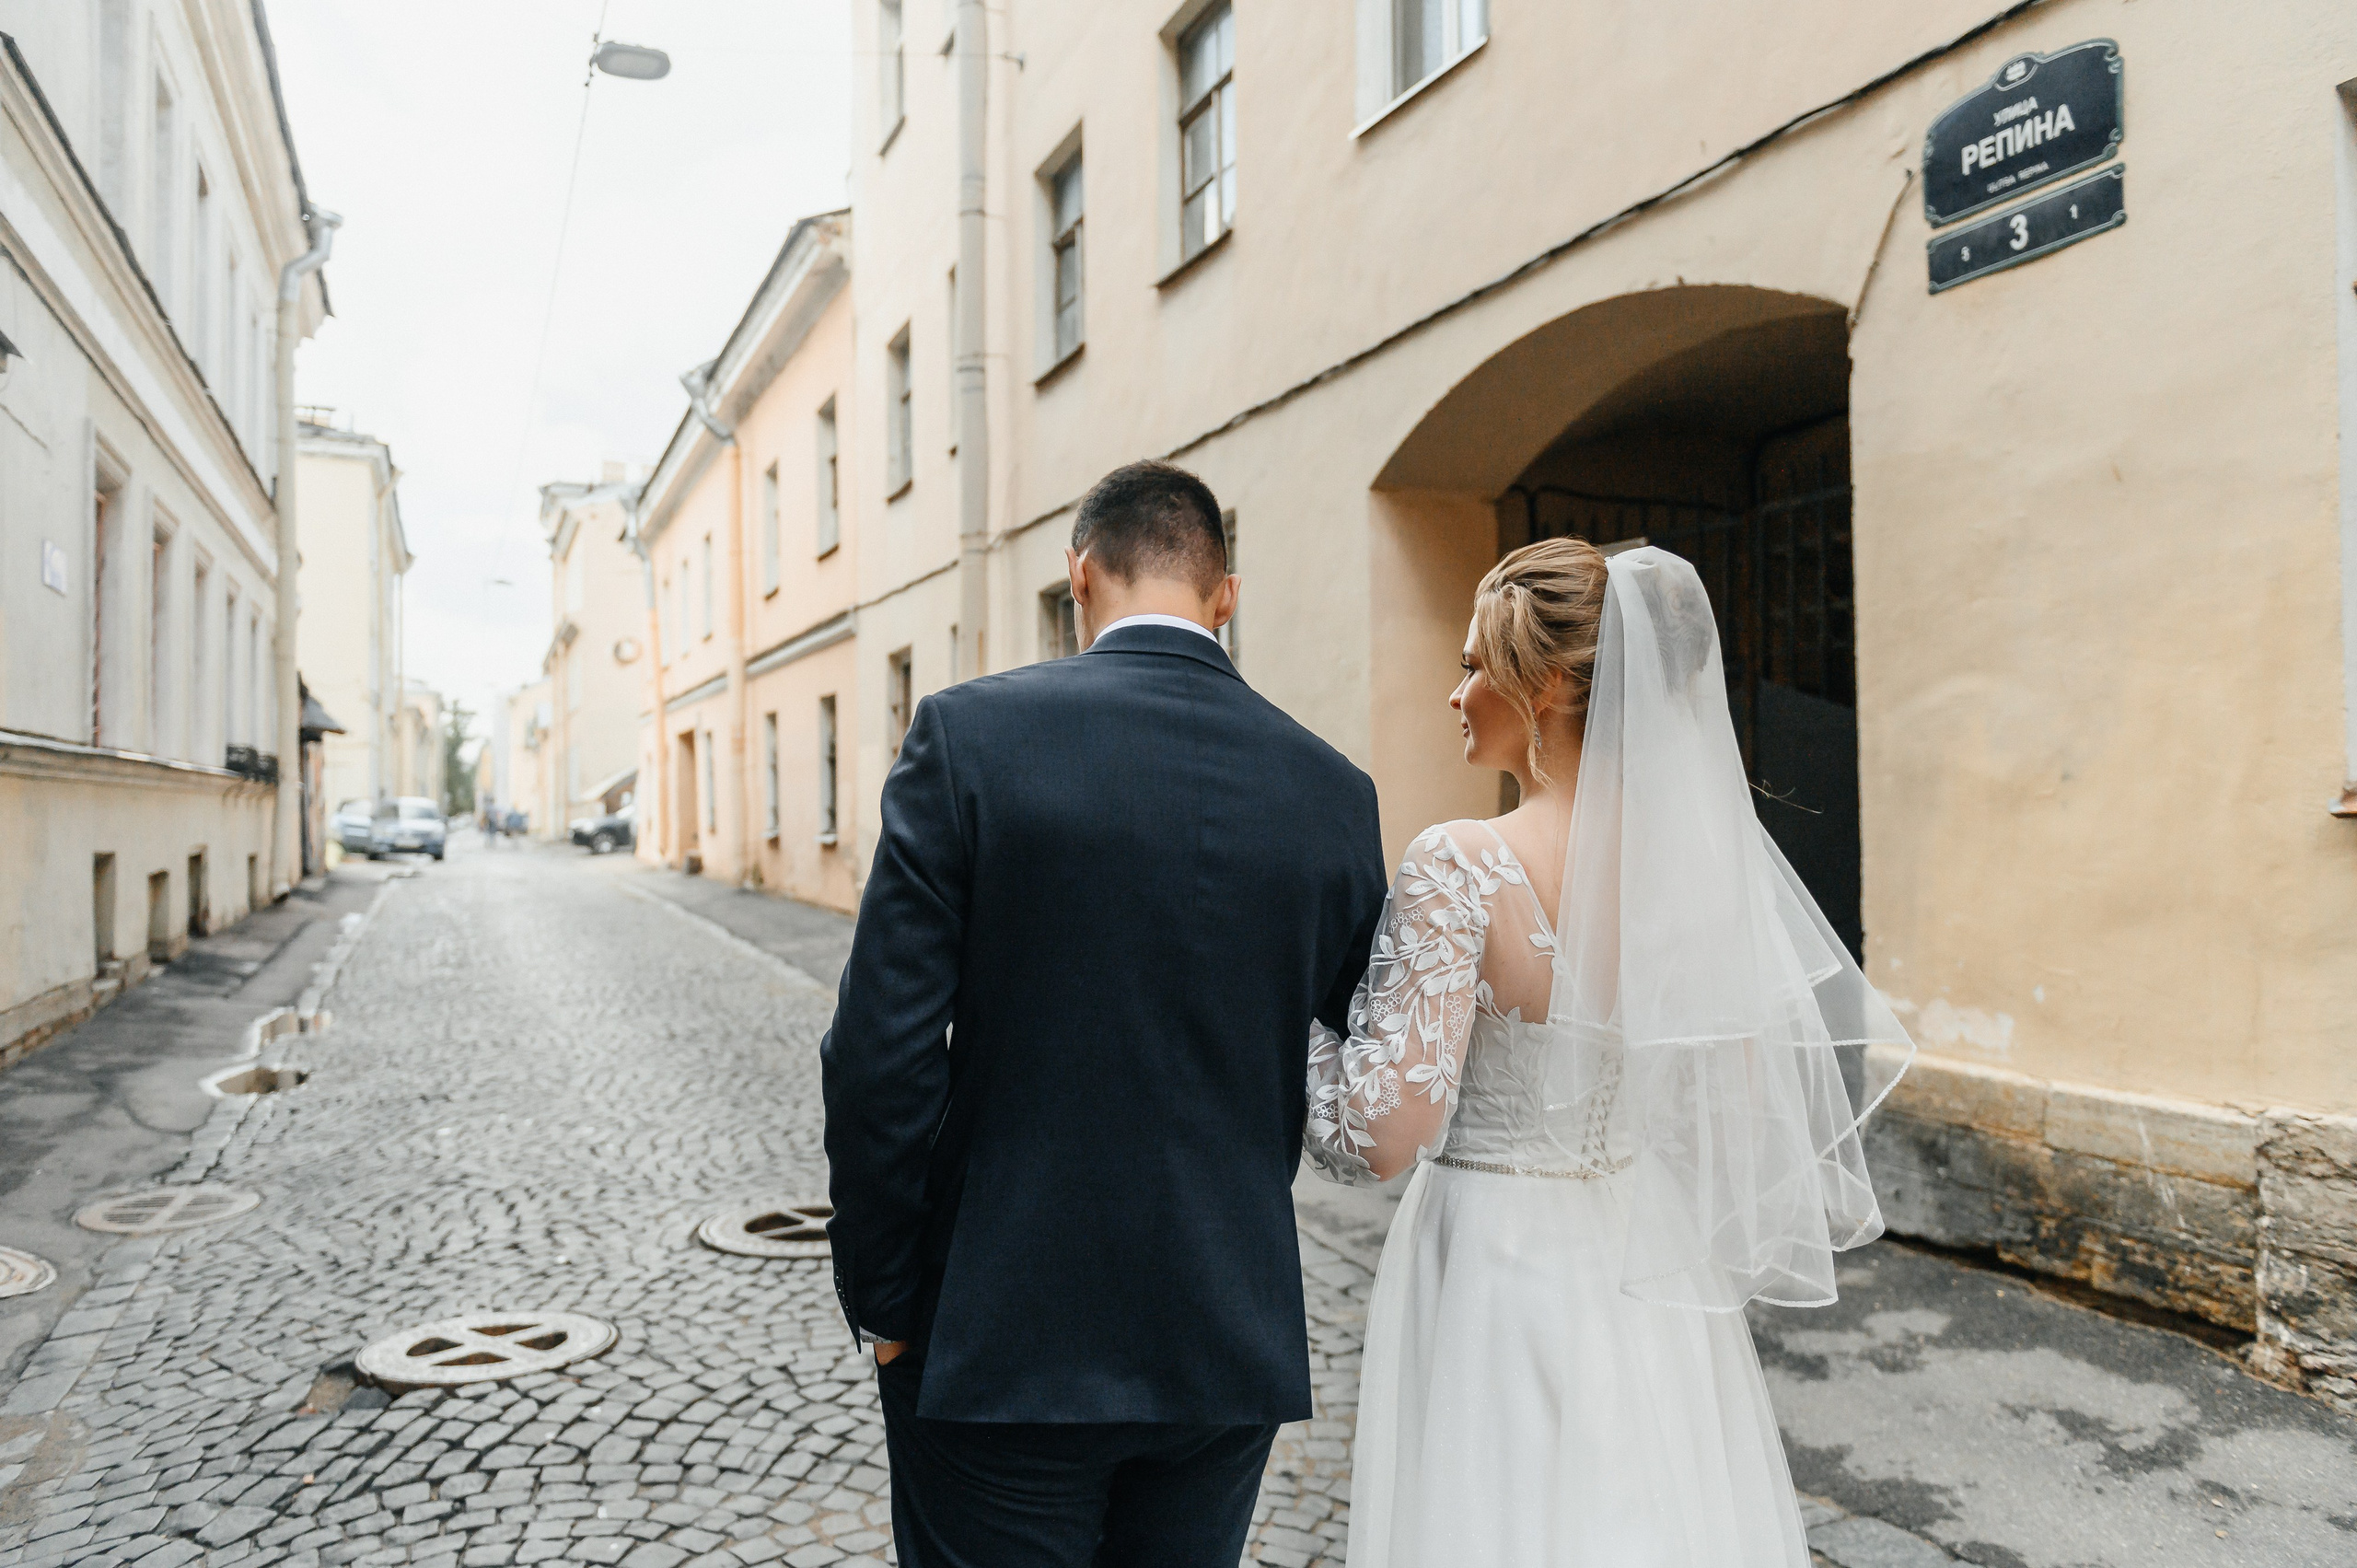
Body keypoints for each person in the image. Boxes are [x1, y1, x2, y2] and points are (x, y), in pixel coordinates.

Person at [822, 459, 1389, 1568]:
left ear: (1077, 574)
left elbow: (879, 1055)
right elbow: (1359, 1033)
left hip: (999, 1331)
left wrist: (886, 1296)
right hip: (1225, 1333)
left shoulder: (967, 741)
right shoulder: (1332, 791)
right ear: (1226, 596)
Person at [1306, 540, 1915, 1568]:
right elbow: (1731, 1105)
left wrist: (1290, 1038)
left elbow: (1382, 1133)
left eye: (1471, 665)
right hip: (1645, 1255)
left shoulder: (1460, 863)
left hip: (1492, 1256)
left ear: (1543, 685)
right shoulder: (1702, 874)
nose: (1453, 693)